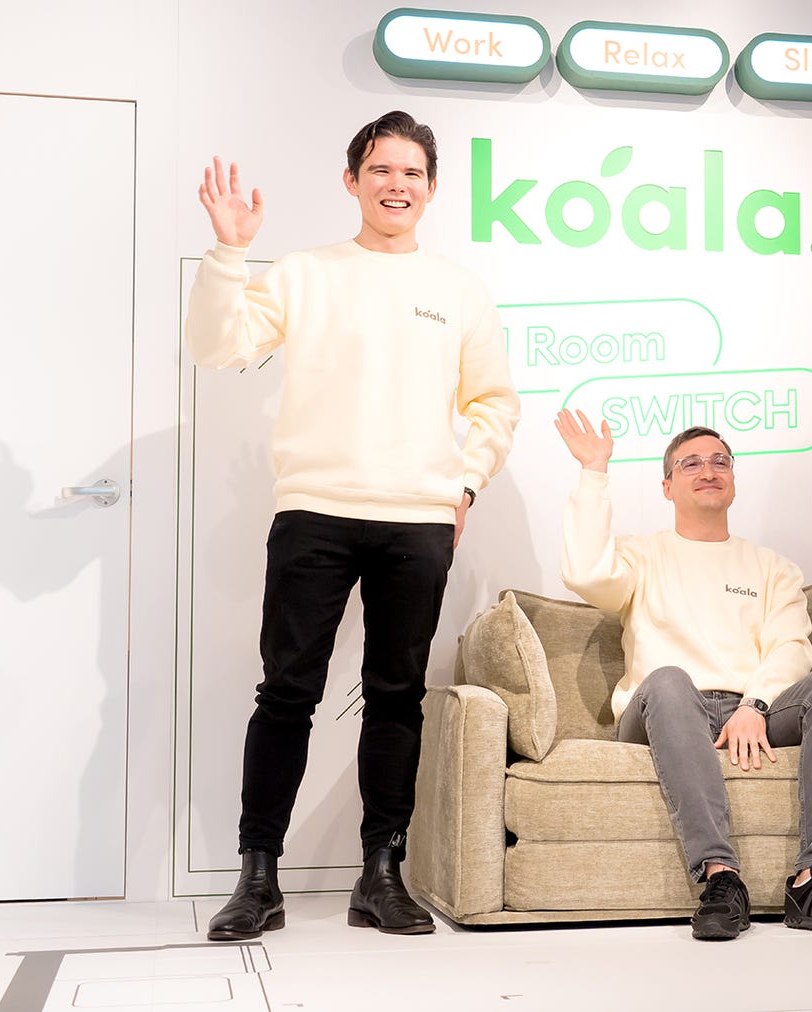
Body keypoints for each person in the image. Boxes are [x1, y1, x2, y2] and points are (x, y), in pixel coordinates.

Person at [185, 110, 520, 940]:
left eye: (411, 173)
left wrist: (464, 486)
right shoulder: (305, 272)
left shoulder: (459, 289)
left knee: (395, 698)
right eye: (380, 170)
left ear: (431, 188)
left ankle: (381, 875)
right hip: (315, 512)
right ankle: (258, 878)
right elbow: (216, 347)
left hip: (417, 521)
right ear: (352, 181)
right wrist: (228, 252)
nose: (396, 185)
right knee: (286, 694)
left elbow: (494, 402)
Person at [553, 411, 812, 940]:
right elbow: (586, 574)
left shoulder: (773, 567)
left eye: (720, 462)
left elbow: (791, 647)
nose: (708, 470)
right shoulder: (641, 555)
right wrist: (593, 471)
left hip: (752, 710)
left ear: (733, 480)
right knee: (668, 678)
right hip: (664, 710)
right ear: (667, 486)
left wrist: (755, 705)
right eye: (691, 464)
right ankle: (720, 879)